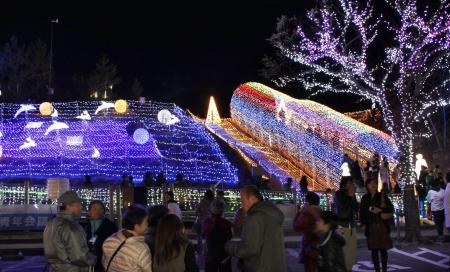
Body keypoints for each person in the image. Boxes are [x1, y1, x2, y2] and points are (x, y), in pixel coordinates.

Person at [225, 185, 286, 272]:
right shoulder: (271, 214)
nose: (242, 205)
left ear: (253, 199)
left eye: (243, 201)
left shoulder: (255, 217)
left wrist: (229, 246)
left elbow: (249, 248)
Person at [44, 191, 96, 272]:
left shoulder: (51, 224)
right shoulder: (71, 226)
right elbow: (79, 257)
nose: (81, 208)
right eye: (78, 205)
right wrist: (93, 259)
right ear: (68, 206)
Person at [102, 204, 151, 271]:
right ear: (136, 226)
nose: (148, 224)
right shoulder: (141, 249)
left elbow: (105, 264)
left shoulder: (109, 241)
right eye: (146, 222)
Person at [360, 179, 394, 272]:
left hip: (381, 225)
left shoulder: (382, 196)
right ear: (367, 186)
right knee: (374, 250)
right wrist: (363, 223)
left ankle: (384, 269)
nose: (373, 185)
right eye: (370, 183)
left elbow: (391, 208)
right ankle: (377, 269)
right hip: (370, 225)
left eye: (374, 183)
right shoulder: (365, 198)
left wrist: (380, 211)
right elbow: (362, 211)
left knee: (383, 250)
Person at [82, 200, 118, 271]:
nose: (98, 211)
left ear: (104, 212)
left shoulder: (111, 226)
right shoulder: (84, 227)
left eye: (101, 209)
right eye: (95, 208)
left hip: (104, 262)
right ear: (89, 212)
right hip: (88, 263)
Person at [333, 176, 358, 272]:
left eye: (353, 183)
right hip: (342, 226)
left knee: (352, 250)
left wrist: (352, 197)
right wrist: (350, 196)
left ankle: (349, 268)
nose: (353, 185)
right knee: (344, 250)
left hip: (351, 225)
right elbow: (343, 210)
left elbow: (355, 208)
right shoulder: (339, 194)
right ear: (346, 184)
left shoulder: (351, 194)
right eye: (351, 183)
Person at [293, 192, 321, 272]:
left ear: (307, 202)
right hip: (321, 247)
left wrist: (300, 212)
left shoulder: (306, 213)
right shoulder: (322, 212)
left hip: (310, 248)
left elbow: (296, 226)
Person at [203, 200, 233, 272]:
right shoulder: (227, 223)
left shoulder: (206, 222)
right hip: (224, 257)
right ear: (222, 210)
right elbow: (230, 237)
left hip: (210, 256)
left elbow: (204, 235)